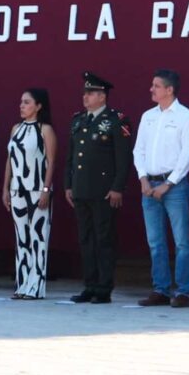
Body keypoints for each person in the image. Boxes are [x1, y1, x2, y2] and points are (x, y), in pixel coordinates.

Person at [133, 69, 189, 308]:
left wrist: (169, 183)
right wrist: (143, 180)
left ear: (169, 90)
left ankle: (183, 292)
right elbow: (138, 150)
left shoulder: (185, 116)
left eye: (156, 86)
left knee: (181, 241)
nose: (151, 89)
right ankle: (160, 289)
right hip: (149, 185)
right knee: (155, 241)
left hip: (175, 187)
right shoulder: (148, 116)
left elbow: (188, 154)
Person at [64, 72, 131, 305]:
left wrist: (117, 188)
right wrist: (68, 185)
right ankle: (89, 285)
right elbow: (71, 157)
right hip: (81, 189)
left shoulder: (116, 120)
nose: (85, 97)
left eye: (91, 93)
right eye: (85, 92)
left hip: (104, 191)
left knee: (104, 239)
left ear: (102, 96)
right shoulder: (78, 120)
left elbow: (122, 159)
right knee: (86, 239)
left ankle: (103, 287)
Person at [2, 88, 55, 300]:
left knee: (38, 238)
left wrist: (46, 189)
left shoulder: (46, 130)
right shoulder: (16, 128)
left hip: (37, 190)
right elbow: (10, 159)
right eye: (21, 102)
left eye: (27, 102)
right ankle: (22, 283)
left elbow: (51, 161)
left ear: (38, 106)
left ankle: (36, 286)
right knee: (21, 237)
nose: (22, 106)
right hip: (18, 189)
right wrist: (6, 187)